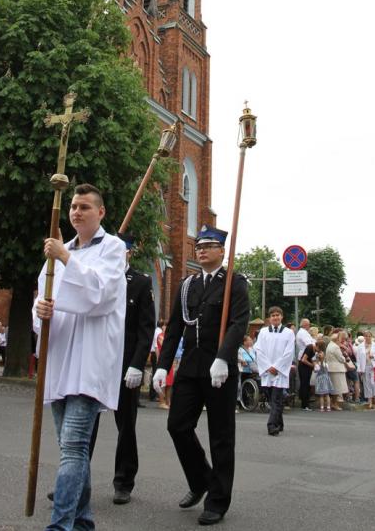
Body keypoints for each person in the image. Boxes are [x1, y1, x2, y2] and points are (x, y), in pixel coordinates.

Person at [34, 183, 126, 531]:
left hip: (90, 362)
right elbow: (44, 294)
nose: (76, 212)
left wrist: (65, 258)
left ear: (100, 213)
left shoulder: (113, 249)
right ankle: (84, 520)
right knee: (71, 449)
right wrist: (41, 308)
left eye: (85, 207)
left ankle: (60, 525)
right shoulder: (58, 252)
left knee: (73, 447)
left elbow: (101, 294)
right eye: (73, 206)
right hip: (60, 358)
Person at [153, 225, 249, 527]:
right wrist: (162, 365)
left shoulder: (235, 282)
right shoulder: (187, 285)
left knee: (221, 436)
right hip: (191, 368)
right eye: (200, 245)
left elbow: (238, 323)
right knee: (177, 425)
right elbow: (174, 329)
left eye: (209, 245)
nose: (202, 249)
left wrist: (223, 357)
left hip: (219, 370)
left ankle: (217, 500)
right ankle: (201, 479)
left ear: (222, 251)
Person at [90, 233, 155, 506]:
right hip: (96, 362)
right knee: (84, 424)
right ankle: (73, 480)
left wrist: (137, 365)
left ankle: (124, 481)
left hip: (125, 365)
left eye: (122, 252)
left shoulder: (140, 283)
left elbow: (145, 328)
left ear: (129, 253)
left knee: (126, 426)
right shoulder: (98, 279)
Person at [254, 305, 296, 435]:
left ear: (282, 317)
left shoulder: (288, 333)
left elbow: (289, 352)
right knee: (272, 399)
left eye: (278, 315)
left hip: (280, 371)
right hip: (267, 370)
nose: (275, 317)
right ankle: (279, 423)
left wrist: (277, 367)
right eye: (273, 315)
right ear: (269, 318)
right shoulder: (263, 332)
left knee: (277, 398)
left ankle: (271, 425)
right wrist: (268, 367)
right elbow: (259, 350)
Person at [324, 333, 349, 410]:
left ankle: (333, 403)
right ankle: (334, 404)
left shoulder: (329, 345)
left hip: (331, 368)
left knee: (334, 387)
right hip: (337, 368)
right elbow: (341, 358)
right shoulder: (335, 347)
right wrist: (345, 358)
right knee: (337, 388)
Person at [313, 339, 333, 411]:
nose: (315, 347)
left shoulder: (318, 355)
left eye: (316, 346)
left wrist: (317, 361)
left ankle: (322, 407)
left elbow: (318, 365)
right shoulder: (325, 354)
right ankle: (328, 407)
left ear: (319, 347)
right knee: (327, 394)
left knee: (321, 394)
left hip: (320, 376)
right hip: (326, 375)